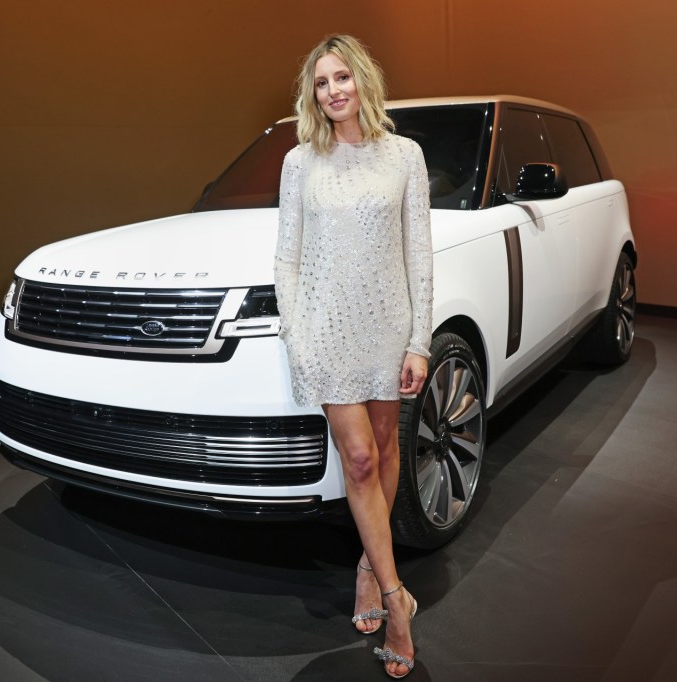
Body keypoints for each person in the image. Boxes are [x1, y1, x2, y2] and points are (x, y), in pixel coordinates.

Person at [274, 34, 433, 679]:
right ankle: (397, 603)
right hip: (328, 334)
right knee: (359, 457)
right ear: (313, 93)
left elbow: (417, 252)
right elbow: (287, 258)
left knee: (389, 450)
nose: (333, 90)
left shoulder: (406, 156)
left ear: (363, 81)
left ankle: (370, 567)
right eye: (321, 81)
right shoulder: (299, 162)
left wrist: (419, 339)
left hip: (388, 328)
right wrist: (297, 336)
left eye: (343, 77)